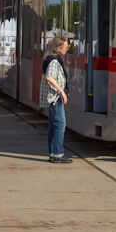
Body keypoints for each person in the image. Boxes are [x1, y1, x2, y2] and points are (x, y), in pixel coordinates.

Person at [42, 36, 71, 164]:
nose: (67, 49)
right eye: (65, 46)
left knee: (54, 126)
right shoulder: (54, 61)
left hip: (54, 97)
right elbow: (49, 77)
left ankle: (53, 154)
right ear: (59, 48)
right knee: (60, 125)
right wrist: (62, 92)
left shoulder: (52, 58)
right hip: (55, 97)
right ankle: (58, 154)